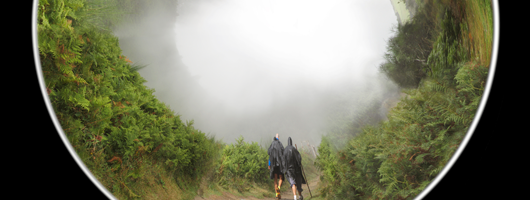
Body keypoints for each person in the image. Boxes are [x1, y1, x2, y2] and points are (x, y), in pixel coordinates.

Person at [268, 133, 285, 199]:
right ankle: (279, 188)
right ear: (279, 138)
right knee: (281, 178)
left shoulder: (272, 144)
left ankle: (276, 194)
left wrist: (269, 164)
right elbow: (283, 153)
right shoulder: (280, 144)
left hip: (273, 164)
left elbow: (269, 154)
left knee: (275, 179)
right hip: (279, 164)